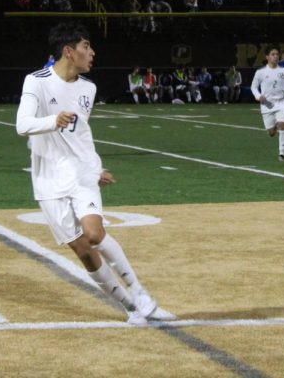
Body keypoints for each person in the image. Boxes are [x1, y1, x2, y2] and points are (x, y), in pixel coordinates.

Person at [15, 22, 172, 324]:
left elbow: (79, 135)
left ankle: (138, 290)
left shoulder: (89, 88)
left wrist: (94, 168)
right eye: (86, 46)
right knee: (83, 250)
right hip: (47, 179)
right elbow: (22, 125)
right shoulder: (36, 82)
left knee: (94, 234)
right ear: (68, 51)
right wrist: (52, 120)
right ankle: (130, 307)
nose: (92, 52)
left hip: (80, 172)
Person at [251, 47, 284, 161]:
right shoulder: (260, 72)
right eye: (273, 54)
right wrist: (258, 96)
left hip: (281, 102)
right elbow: (253, 87)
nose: (275, 56)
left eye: (277, 54)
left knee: (283, 125)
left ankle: (282, 154)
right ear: (267, 57)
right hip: (267, 105)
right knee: (271, 133)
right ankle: (274, 127)